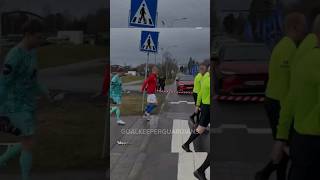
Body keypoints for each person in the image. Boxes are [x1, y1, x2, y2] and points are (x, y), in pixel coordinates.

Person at [255, 13, 307, 180]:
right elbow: (288, 84)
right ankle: (265, 174)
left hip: (274, 101)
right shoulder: (289, 49)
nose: (305, 31)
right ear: (295, 27)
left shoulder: (283, 46)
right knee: (286, 145)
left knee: (284, 145)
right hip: (279, 103)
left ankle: (268, 175)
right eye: (303, 27)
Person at [0, 20, 51, 180]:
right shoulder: (14, 56)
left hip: (28, 102)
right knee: (29, 141)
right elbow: (4, 82)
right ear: (27, 35)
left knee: (28, 139)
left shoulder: (32, 52)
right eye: (38, 38)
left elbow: (33, 76)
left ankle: (4, 158)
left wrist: (44, 91)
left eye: (42, 38)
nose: (40, 41)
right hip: (14, 104)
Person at [271, 14, 320, 180]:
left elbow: (290, 99)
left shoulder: (303, 60)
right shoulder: (292, 51)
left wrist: (281, 137)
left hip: (302, 140)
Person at [182, 65, 210, 153]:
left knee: (201, 128)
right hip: (208, 107)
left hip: (205, 106)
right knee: (200, 128)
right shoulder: (208, 80)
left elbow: (200, 93)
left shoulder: (205, 78)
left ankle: (186, 144)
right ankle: (186, 144)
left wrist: (197, 105)